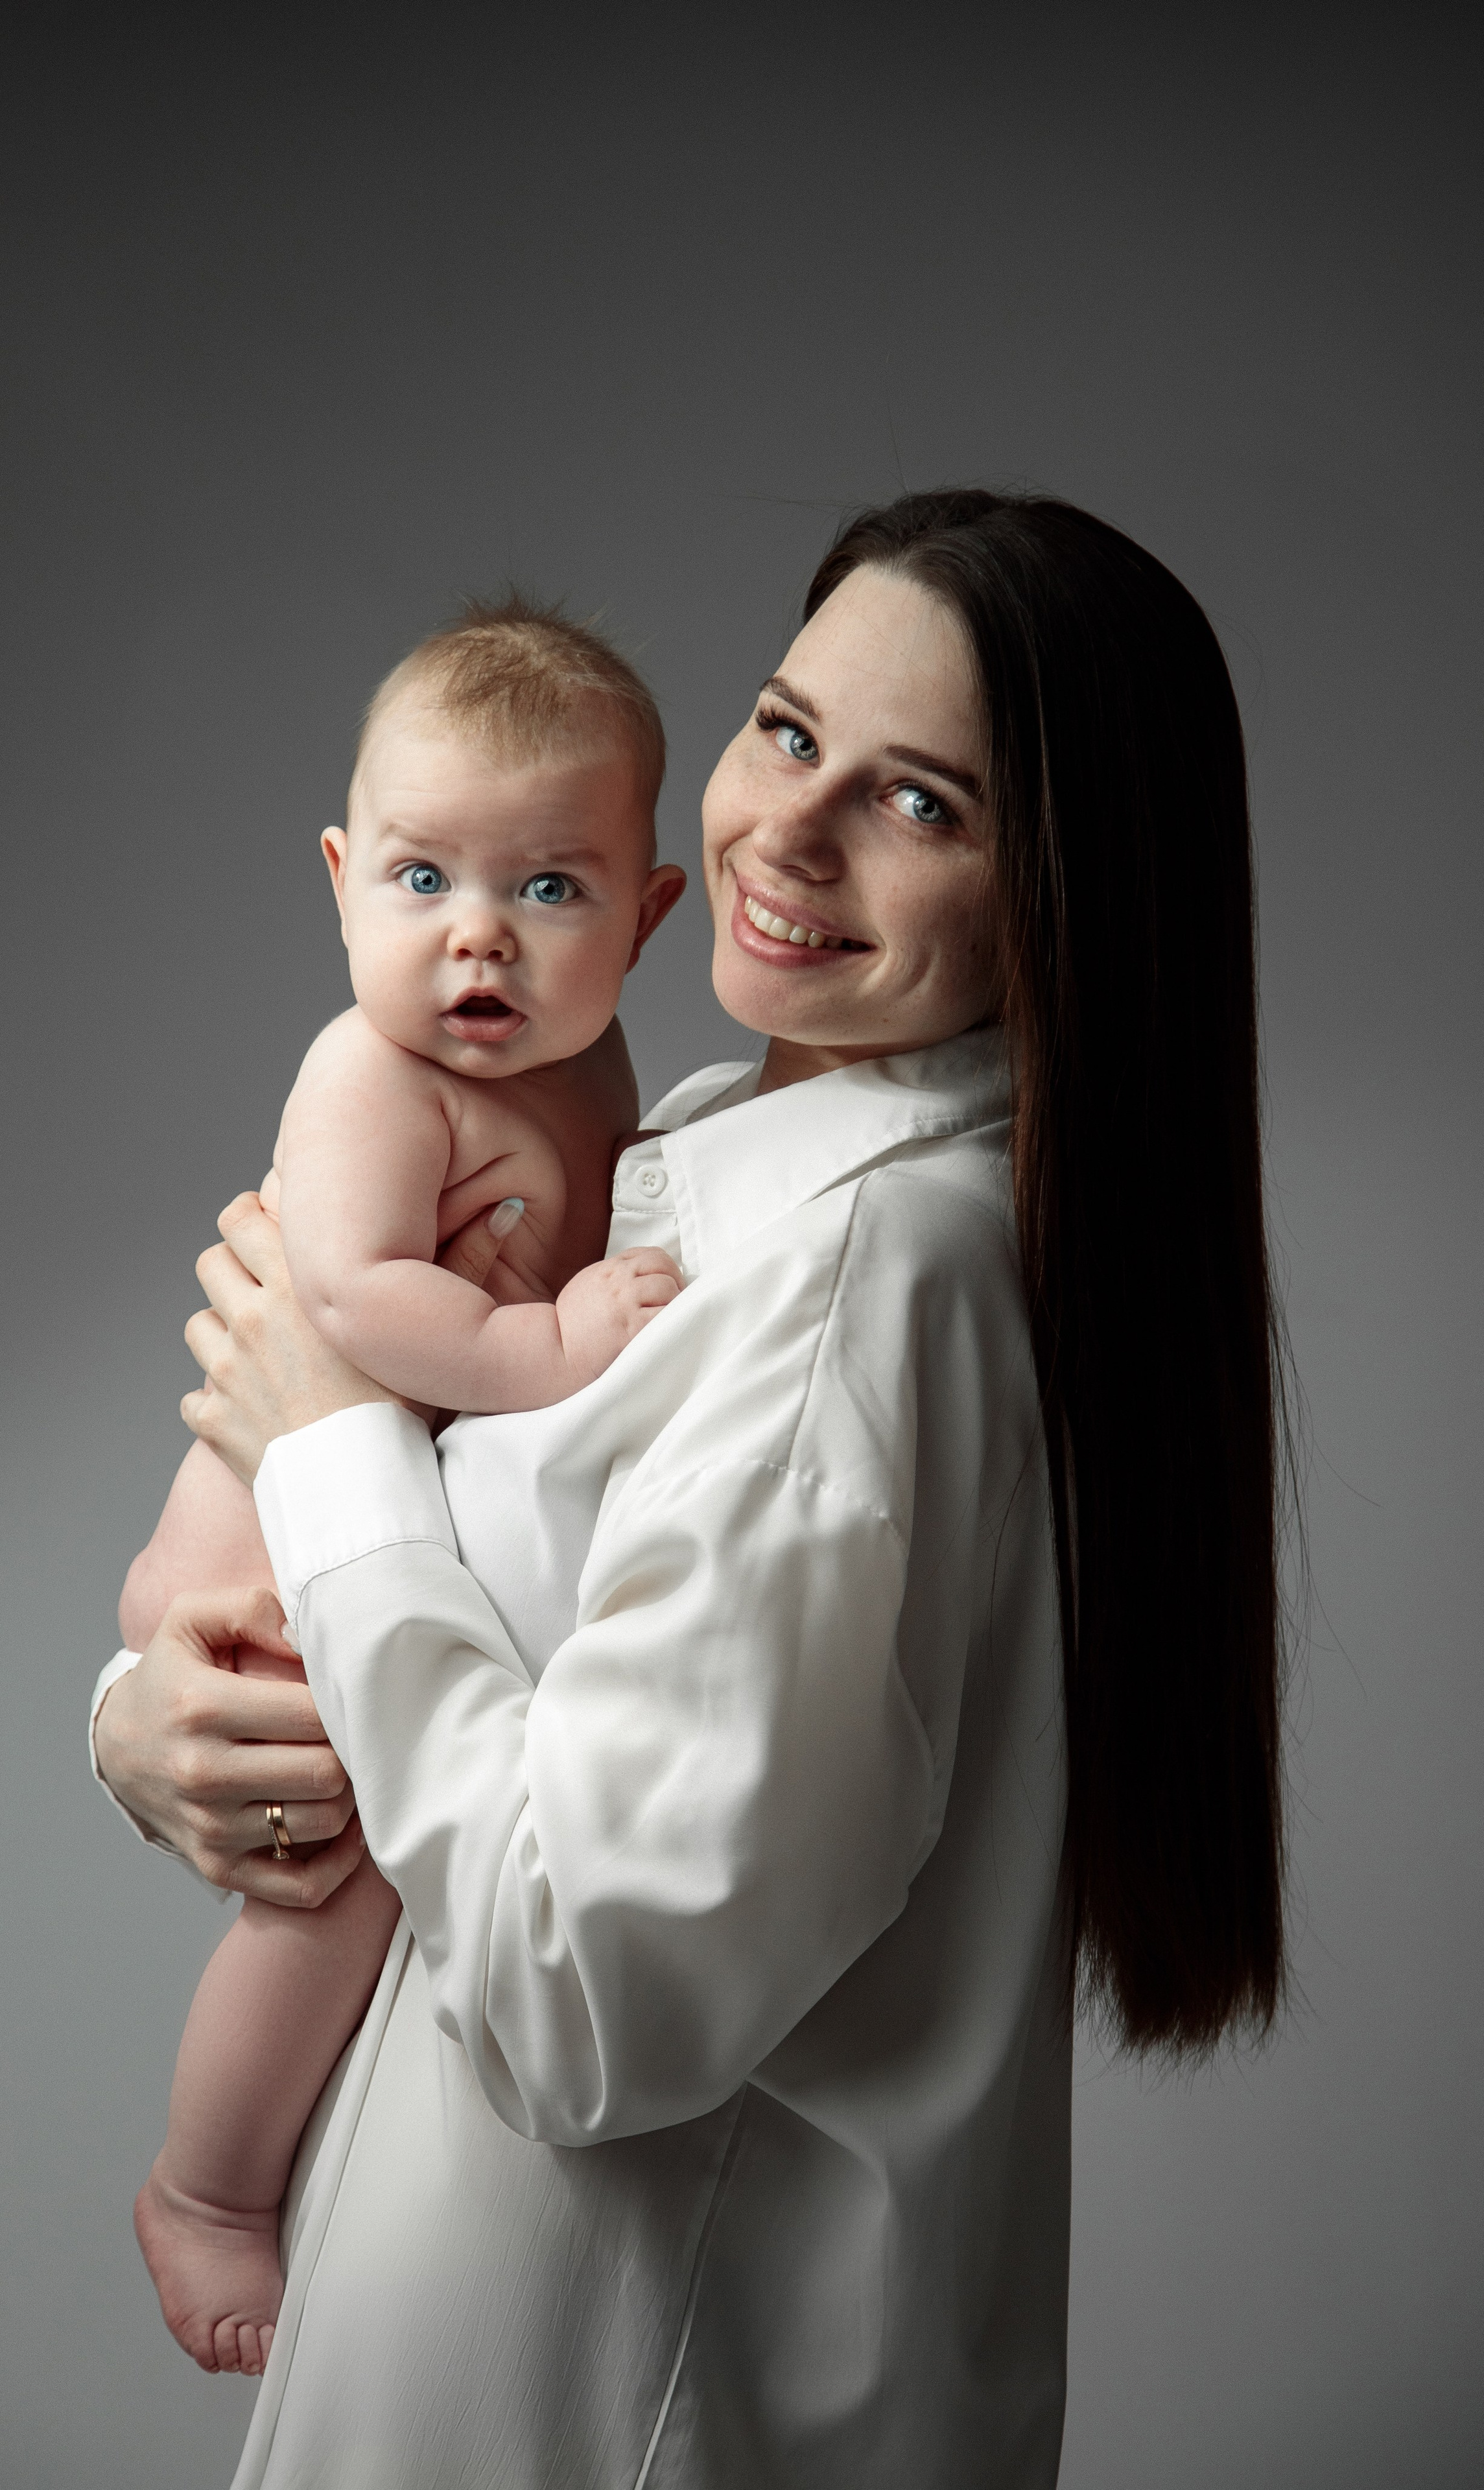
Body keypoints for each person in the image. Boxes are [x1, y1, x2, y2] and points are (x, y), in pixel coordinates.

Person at [92, 490, 1288, 2489]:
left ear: (1066, 893)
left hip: (611, 2402)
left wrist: (324, 1440)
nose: (790, 835)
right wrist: (157, 1726)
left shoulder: (861, 1281)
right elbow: (474, 1652)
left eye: (922, 803)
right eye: (790, 731)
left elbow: (582, 1994)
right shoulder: (710, 1157)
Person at [121, 599, 689, 2373]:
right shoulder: (370, 1072)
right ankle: (206, 2189)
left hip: (358, 1553)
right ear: (341, 878)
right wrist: (550, 1341)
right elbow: (354, 1298)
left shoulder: (597, 1069)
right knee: (333, 1893)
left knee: (378, 1879)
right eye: (422, 879)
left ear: (647, 914)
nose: (477, 939)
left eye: (550, 888)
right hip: (257, 1575)